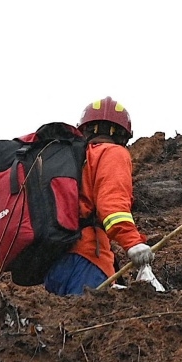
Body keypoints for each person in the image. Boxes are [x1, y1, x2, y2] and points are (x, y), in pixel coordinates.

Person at [43, 97, 153, 296]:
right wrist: (133, 243)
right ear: (122, 135)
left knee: (67, 323)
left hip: (53, 263)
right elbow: (112, 206)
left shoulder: (72, 159)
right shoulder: (112, 153)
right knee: (91, 322)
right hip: (87, 257)